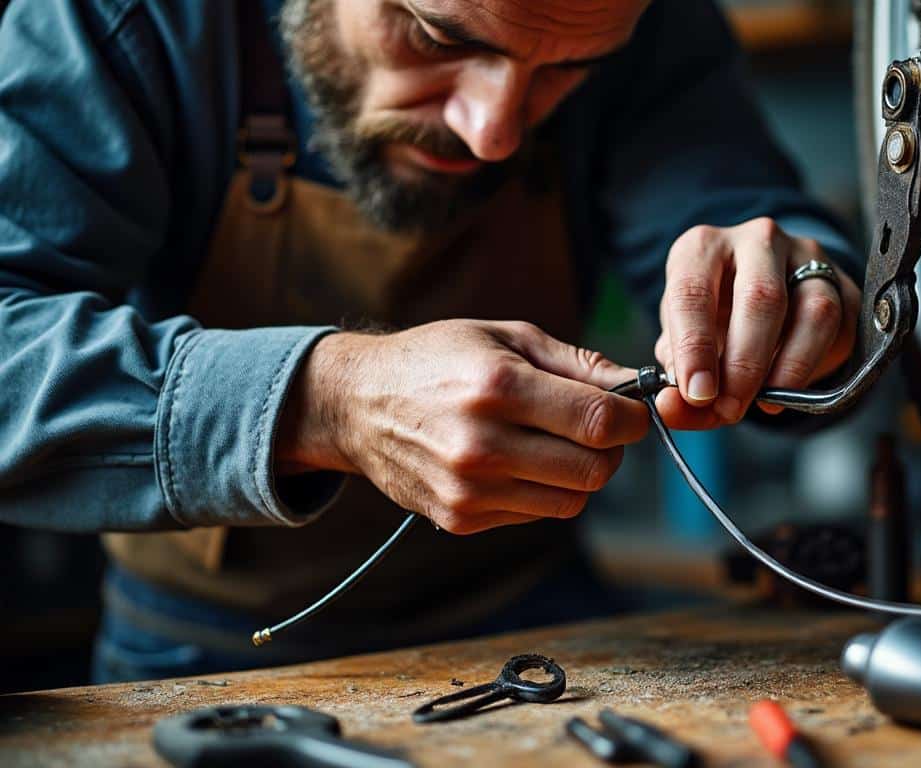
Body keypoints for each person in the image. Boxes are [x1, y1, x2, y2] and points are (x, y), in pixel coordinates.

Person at [0, 0, 863, 682]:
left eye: (566, 71)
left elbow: (742, 219)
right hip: (206, 650)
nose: (493, 129)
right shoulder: (125, 22)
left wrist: (800, 298)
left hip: (542, 625)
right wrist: (323, 400)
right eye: (434, 36)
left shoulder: (641, 24)